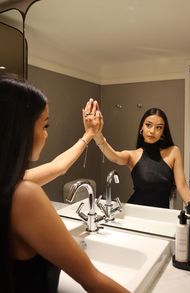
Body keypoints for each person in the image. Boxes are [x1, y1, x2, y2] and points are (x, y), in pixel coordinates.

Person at [0, 78, 130, 293]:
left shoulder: (9, 183)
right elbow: (92, 279)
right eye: (45, 125)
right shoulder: (24, 194)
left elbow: (58, 166)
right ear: (19, 130)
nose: (47, 134)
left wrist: (89, 134)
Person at [83, 101, 190, 235]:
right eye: (148, 125)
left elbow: (183, 186)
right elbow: (113, 155)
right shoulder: (133, 155)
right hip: (134, 214)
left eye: (158, 127)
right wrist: (96, 134)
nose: (152, 131)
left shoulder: (173, 152)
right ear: (142, 127)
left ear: (163, 132)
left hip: (161, 217)